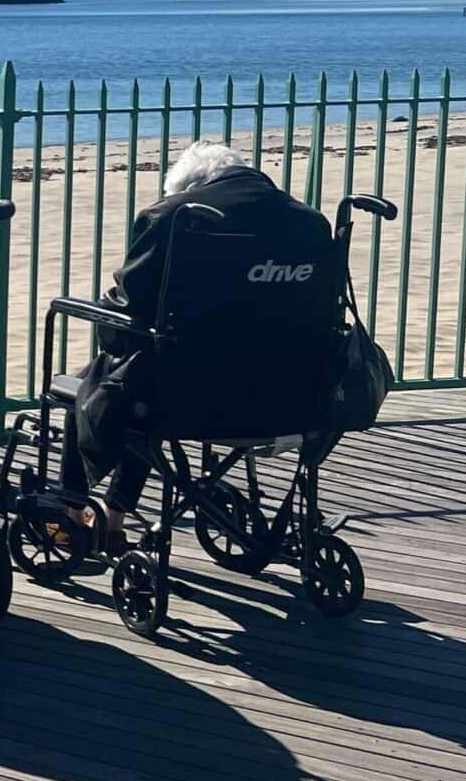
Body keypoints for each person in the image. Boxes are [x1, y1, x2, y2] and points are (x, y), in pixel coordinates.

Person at [70, 140, 326, 547]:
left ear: (192, 187)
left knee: (103, 381)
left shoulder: (174, 217)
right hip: (293, 399)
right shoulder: (311, 224)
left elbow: (129, 309)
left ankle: (75, 510)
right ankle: (112, 511)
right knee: (144, 374)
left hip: (184, 399)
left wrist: (109, 327)